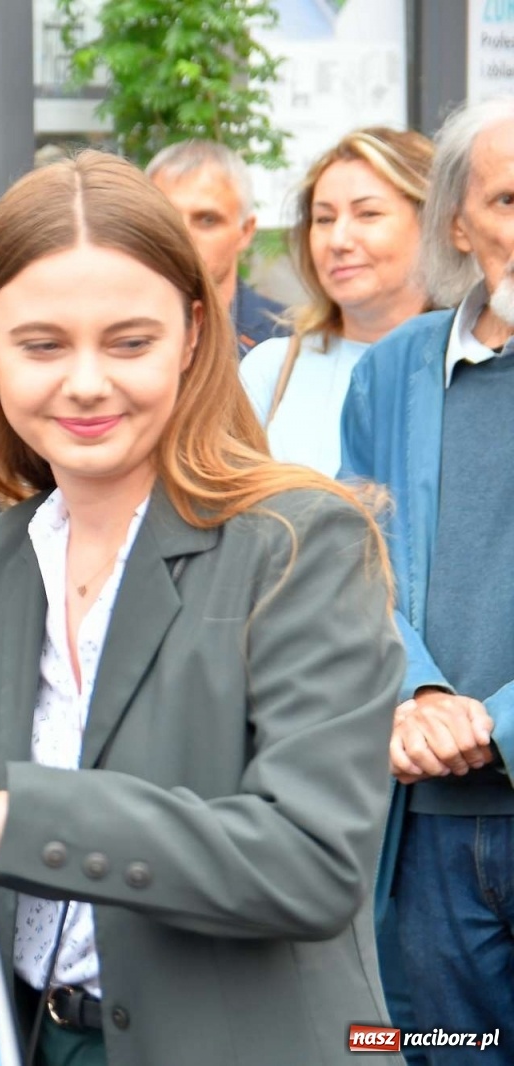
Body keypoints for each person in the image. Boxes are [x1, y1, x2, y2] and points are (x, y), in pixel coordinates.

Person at [0, 151, 404, 1066]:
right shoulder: (5, 555)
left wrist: (15, 820)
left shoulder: (301, 546)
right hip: (37, 1036)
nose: (89, 382)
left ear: (193, 332)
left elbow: (311, 860)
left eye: (130, 342)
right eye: (44, 345)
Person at [340, 99, 514, 1064]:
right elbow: (354, 567)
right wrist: (422, 692)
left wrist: (496, 723)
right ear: (459, 225)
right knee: (429, 1051)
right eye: (510, 200)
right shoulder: (393, 372)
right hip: (426, 839)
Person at [238, 128, 434, 476]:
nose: (339, 240)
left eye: (368, 214)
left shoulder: (475, 368)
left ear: (432, 223)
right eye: (324, 219)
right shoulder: (272, 369)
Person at [146, 139, 287, 354]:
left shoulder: (287, 339)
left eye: (207, 220)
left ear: (246, 231)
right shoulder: (108, 325)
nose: (184, 236)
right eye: (168, 218)